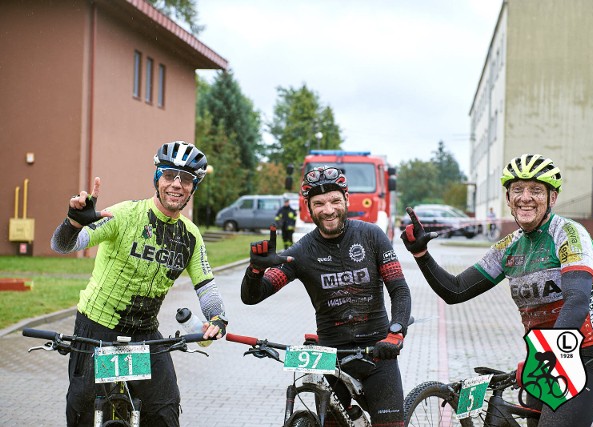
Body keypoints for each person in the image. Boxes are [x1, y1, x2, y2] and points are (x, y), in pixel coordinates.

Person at [401, 154, 593, 427]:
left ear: (553, 197)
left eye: (536, 190)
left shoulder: (569, 234)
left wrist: (545, 356)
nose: (525, 197)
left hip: (586, 358)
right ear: (508, 197)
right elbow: (454, 291)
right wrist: (421, 254)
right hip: (546, 361)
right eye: (517, 190)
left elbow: (577, 301)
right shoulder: (508, 247)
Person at [51, 141, 228, 426]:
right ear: (158, 178)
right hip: (98, 325)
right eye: (170, 175)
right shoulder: (124, 215)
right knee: (83, 412)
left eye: (186, 180)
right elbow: (62, 245)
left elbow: (206, 284)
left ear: (194, 188)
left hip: (145, 332)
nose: (177, 185)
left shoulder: (190, 235)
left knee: (165, 411)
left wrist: (217, 317)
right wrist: (73, 222)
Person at [241, 166, 411, 427]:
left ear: (346, 199)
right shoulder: (301, 252)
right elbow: (253, 296)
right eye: (319, 203)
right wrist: (255, 270)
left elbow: (399, 289)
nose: (328, 209)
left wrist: (396, 332)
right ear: (309, 208)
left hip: (378, 353)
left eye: (334, 200)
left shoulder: (371, 236)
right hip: (331, 357)